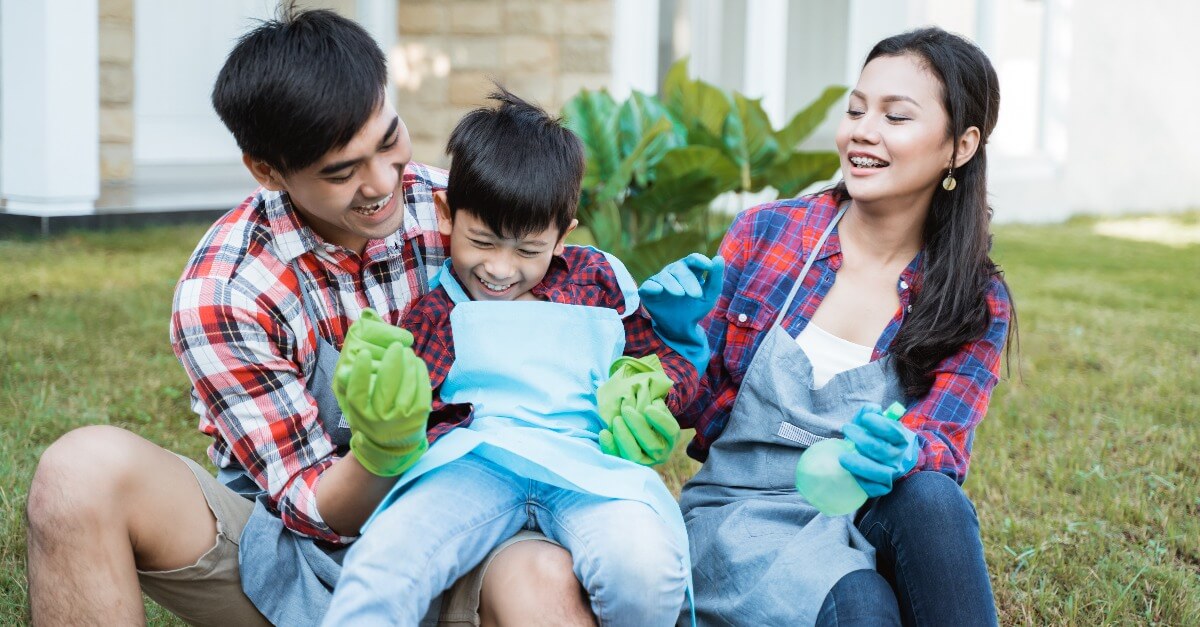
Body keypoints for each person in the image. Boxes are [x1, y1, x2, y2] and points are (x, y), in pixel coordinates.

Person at [23, 7, 595, 626]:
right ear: (268, 171)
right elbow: (312, 504)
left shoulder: (462, 212)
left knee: (544, 577)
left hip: (472, 537)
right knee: (79, 474)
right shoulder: (229, 290)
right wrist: (383, 447)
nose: (382, 185)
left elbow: (564, 294)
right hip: (289, 558)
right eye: (341, 171)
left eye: (388, 140)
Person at [648, 27, 1016, 626]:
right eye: (856, 109)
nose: (862, 131)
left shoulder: (972, 296)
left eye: (896, 117)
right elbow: (701, 406)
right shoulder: (767, 234)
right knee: (863, 602)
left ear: (961, 146)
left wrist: (904, 451)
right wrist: (678, 341)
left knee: (932, 497)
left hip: (867, 515)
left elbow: (943, 442)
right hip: (744, 516)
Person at [322, 88, 719, 627]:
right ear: (446, 215)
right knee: (388, 555)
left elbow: (662, 365)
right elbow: (413, 413)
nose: (502, 269)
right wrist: (381, 403)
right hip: (475, 467)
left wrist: (650, 385)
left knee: (646, 569)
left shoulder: (597, 281)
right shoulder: (436, 311)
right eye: (482, 242)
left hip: (588, 468)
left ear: (563, 236)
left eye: (529, 250)